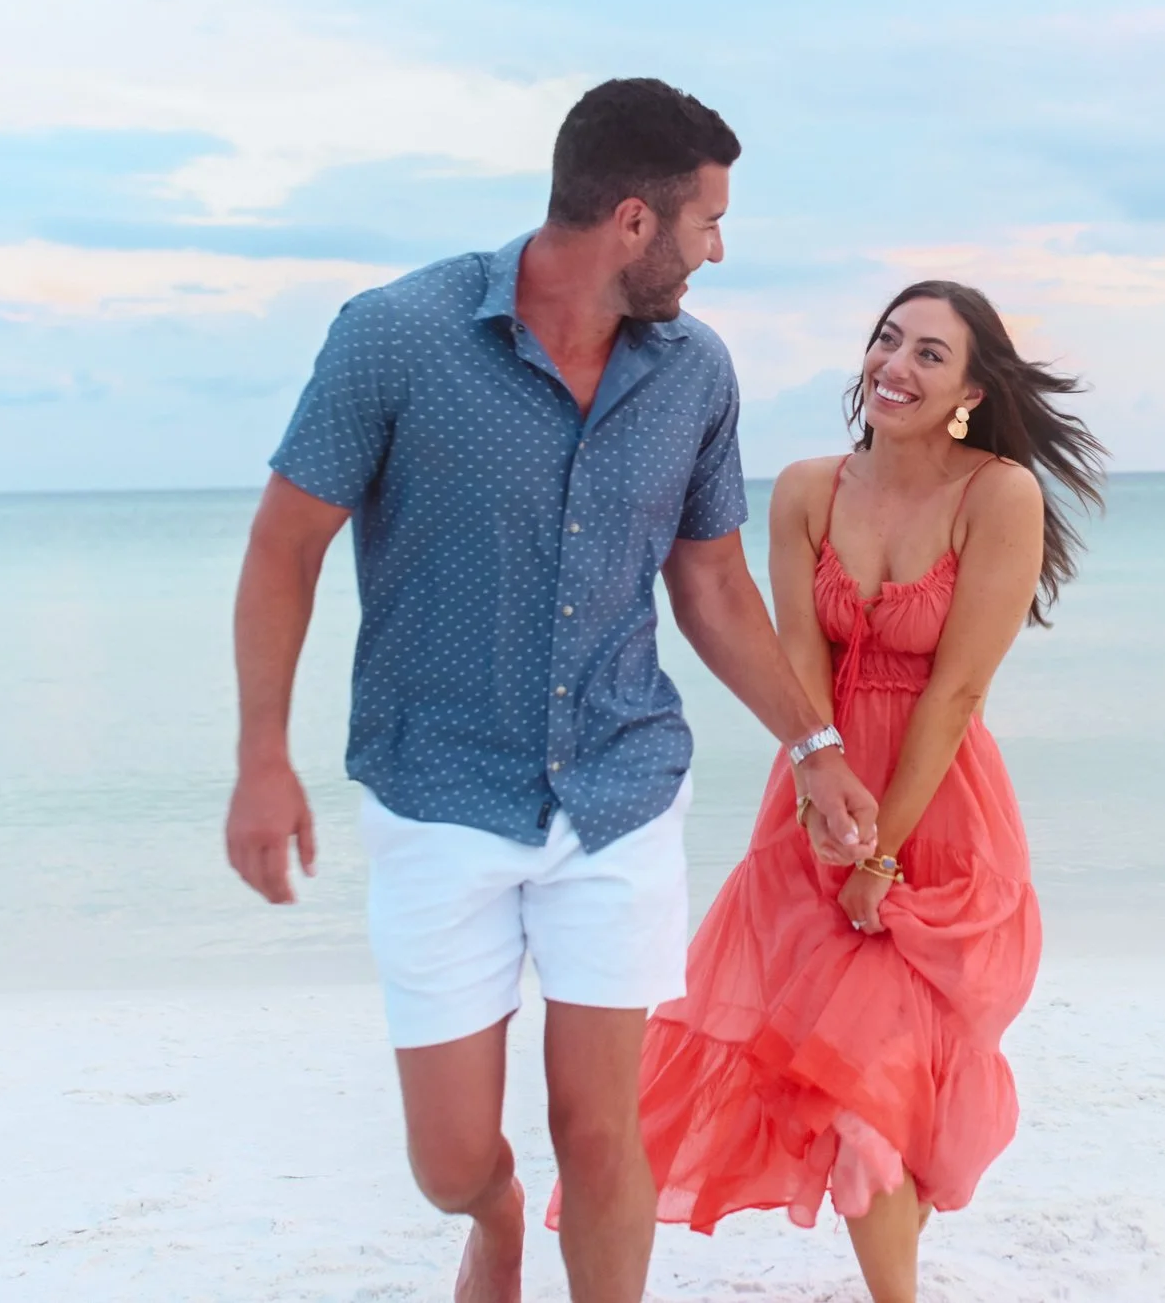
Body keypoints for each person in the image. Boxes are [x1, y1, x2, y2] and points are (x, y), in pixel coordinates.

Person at [222, 77, 878, 1303]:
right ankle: (495, 1217)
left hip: (620, 791)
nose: (717, 249)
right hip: (438, 791)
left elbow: (715, 587)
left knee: (601, 1123)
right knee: (449, 1155)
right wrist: (264, 753)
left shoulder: (692, 372)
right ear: (634, 220)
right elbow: (283, 544)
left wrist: (814, 744)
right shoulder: (397, 335)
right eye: (706, 222)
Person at [632, 280, 1105, 1303]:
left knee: (882, 1083)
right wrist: (820, 789)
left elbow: (959, 687)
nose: (896, 364)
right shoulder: (809, 488)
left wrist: (880, 855)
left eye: (930, 353)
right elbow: (797, 656)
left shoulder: (999, 496)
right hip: (816, 789)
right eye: (887, 339)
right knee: (850, 1084)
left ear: (972, 387)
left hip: (938, 810)